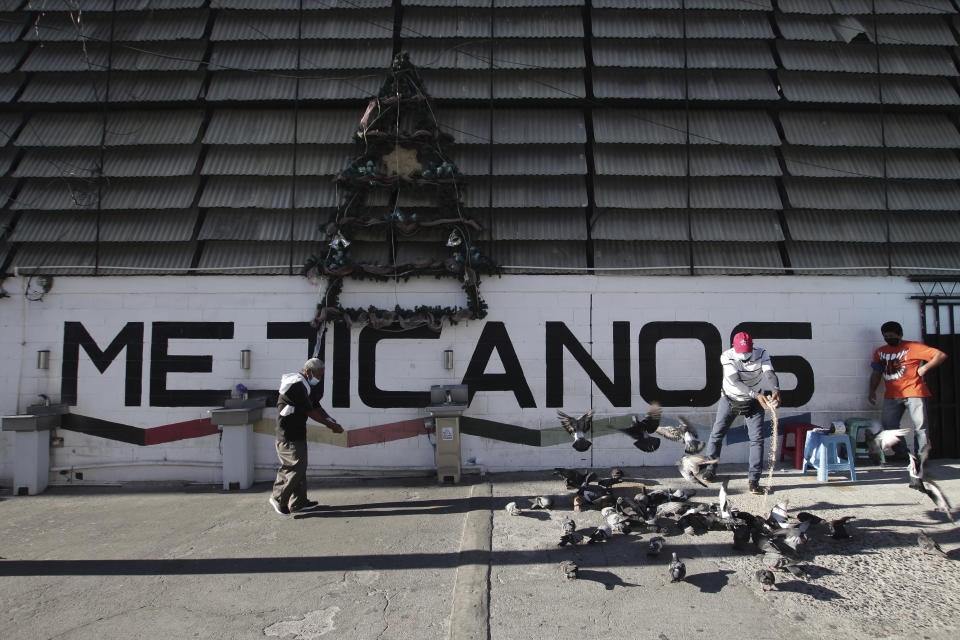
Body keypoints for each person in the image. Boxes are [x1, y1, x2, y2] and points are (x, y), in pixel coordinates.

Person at [701, 332, 781, 495]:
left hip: (754, 402)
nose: (745, 356)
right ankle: (710, 469)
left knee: (757, 439)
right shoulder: (727, 356)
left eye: (747, 351)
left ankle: (754, 480)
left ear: (752, 346)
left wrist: (776, 390)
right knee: (717, 434)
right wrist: (756, 395)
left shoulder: (762, 353)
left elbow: (770, 373)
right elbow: (735, 381)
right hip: (731, 399)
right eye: (741, 351)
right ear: (734, 347)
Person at [269, 358, 344, 515]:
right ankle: (278, 497)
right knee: (295, 467)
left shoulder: (306, 385)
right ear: (309, 371)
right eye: (318, 375)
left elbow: (316, 405)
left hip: (297, 433)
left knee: (300, 468)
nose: (319, 379)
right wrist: (330, 426)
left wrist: (330, 419)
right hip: (288, 435)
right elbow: (309, 411)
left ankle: (299, 503)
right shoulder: (296, 385)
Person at [868, 321, 947, 460]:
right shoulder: (881, 352)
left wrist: (925, 368)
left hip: (914, 391)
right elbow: (876, 372)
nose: (888, 338)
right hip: (892, 394)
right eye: (885, 336)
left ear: (900, 334)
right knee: (889, 425)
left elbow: (940, 355)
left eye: (891, 336)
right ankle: (902, 454)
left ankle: (921, 456)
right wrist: (872, 390)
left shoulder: (913, 347)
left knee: (920, 427)